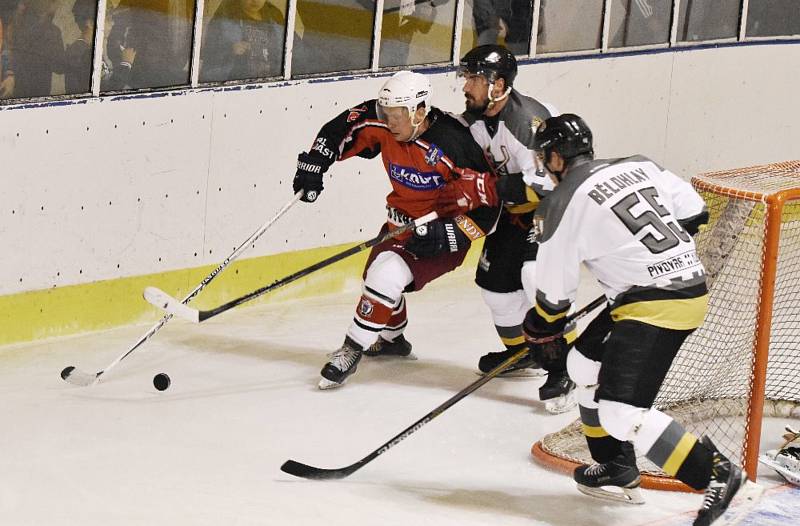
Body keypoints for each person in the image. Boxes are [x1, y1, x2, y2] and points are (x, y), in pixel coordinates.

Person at [521, 113, 760, 525]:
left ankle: (719, 475)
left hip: (656, 305)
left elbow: (554, 301)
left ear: (557, 158)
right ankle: (617, 467)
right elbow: (695, 212)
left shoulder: (559, 204)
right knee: (582, 367)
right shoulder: (638, 164)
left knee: (620, 412)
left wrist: (540, 330)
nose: (543, 167)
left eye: (545, 159)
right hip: (666, 290)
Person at [292, 70, 501, 390]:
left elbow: (490, 207)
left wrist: (451, 234)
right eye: (385, 114)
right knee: (376, 280)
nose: (389, 123)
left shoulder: (455, 145)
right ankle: (392, 340)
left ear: (420, 111)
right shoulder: (386, 119)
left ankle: (351, 349)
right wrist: (316, 163)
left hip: (441, 236)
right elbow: (343, 127)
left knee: (384, 276)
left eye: (397, 116)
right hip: (399, 225)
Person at [443, 44, 575, 413]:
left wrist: (487, 187)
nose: (466, 86)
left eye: (473, 79)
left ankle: (564, 367)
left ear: (498, 85)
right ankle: (524, 352)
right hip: (514, 212)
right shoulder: (474, 117)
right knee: (496, 288)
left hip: (553, 207)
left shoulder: (525, 123)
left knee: (535, 276)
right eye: (465, 78)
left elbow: (548, 182)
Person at [200, 0, 284, 82]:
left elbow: (293, 49)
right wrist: (230, 50)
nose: (255, 1)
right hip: (235, 84)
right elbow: (209, 55)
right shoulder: (224, 17)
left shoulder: (274, 16)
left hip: (273, 82)